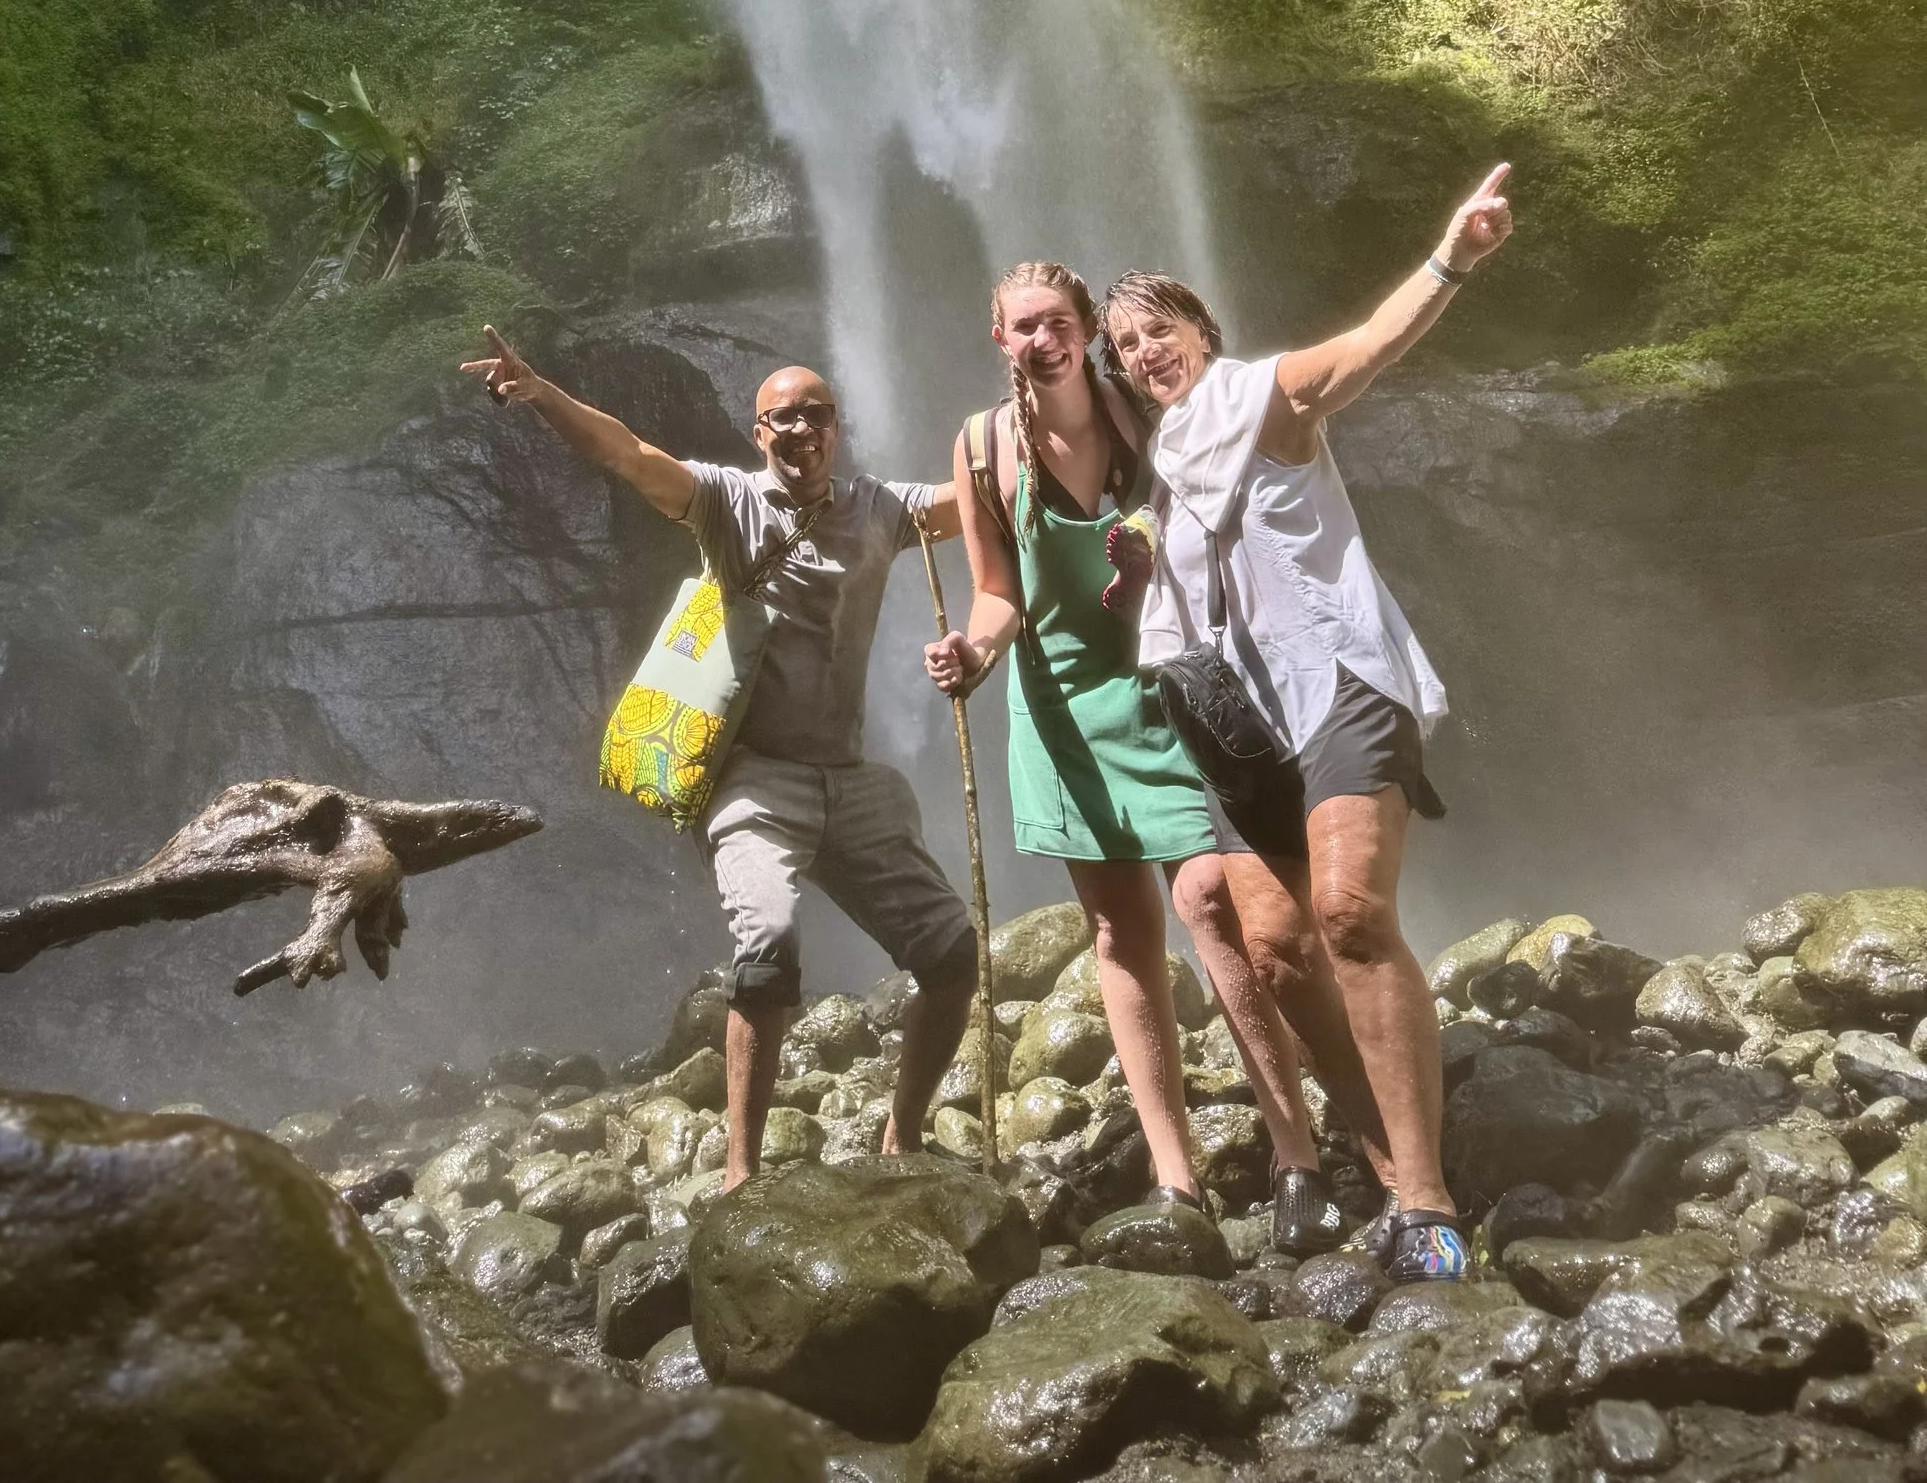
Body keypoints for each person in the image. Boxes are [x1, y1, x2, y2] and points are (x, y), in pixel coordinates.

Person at [1102, 161, 1516, 1284]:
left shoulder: (1265, 393)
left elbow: (1373, 344)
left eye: (1159, 326)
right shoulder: (1158, 475)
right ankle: (1387, 1158)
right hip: (1242, 722)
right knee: (1278, 952)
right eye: (1126, 346)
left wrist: (1454, 254)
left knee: (1345, 912)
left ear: (1202, 327)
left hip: (1337, 677)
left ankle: (1426, 1198)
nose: (1145, 351)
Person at [467, 330, 980, 1186]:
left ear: (838, 426)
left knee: (955, 957)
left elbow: (977, 501)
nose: (800, 429)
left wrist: (1043, 414)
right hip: (756, 779)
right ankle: (742, 1174)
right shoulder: (725, 501)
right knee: (768, 948)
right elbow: (628, 453)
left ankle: (904, 1132)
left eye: (816, 413)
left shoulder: (882, 508)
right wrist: (540, 391)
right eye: (781, 417)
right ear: (759, 433)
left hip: (851, 781)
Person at [922, 259, 1353, 1251]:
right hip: (1065, 713)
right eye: (1020, 326)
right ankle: (1175, 1176)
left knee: (1210, 899)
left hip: (1177, 695)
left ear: (1084, 330)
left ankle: (1296, 1154)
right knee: (1119, 937)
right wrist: (972, 652)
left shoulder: (1135, 414)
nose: (1041, 340)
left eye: (1058, 322)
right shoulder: (983, 448)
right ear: (999, 339)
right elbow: (997, 590)